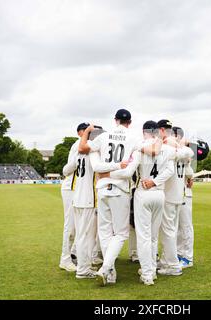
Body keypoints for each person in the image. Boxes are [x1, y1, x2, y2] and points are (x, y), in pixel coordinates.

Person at [98, 120, 175, 285]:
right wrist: (156, 181)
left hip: (143, 193)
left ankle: (147, 274)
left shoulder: (140, 147)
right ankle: (152, 270)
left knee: (144, 237)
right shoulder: (167, 148)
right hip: (159, 194)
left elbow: (128, 171)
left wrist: (107, 175)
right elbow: (170, 170)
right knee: (153, 237)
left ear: (144, 131)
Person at [78, 109, 138, 286]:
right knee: (120, 233)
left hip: (102, 189)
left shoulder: (103, 137)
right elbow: (129, 169)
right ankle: (105, 268)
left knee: (105, 232)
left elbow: (83, 148)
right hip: (119, 189)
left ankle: (110, 275)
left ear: (115, 120)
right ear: (130, 122)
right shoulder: (133, 137)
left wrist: (88, 132)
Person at [156, 121, 194, 276]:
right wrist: (180, 146)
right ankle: (167, 260)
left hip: (170, 195)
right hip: (177, 194)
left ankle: (172, 264)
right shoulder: (182, 150)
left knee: (169, 231)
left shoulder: (168, 148)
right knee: (171, 230)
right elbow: (189, 159)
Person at [59, 125, 84, 273]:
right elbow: (67, 169)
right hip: (70, 188)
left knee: (79, 226)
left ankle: (73, 254)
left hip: (78, 189)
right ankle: (65, 259)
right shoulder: (78, 144)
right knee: (70, 226)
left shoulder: (83, 143)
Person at [172, 127, 195, 269]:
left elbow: (189, 172)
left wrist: (190, 177)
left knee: (185, 226)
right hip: (176, 192)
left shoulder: (185, 151)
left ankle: (188, 258)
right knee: (177, 227)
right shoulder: (176, 150)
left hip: (185, 192)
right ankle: (179, 254)